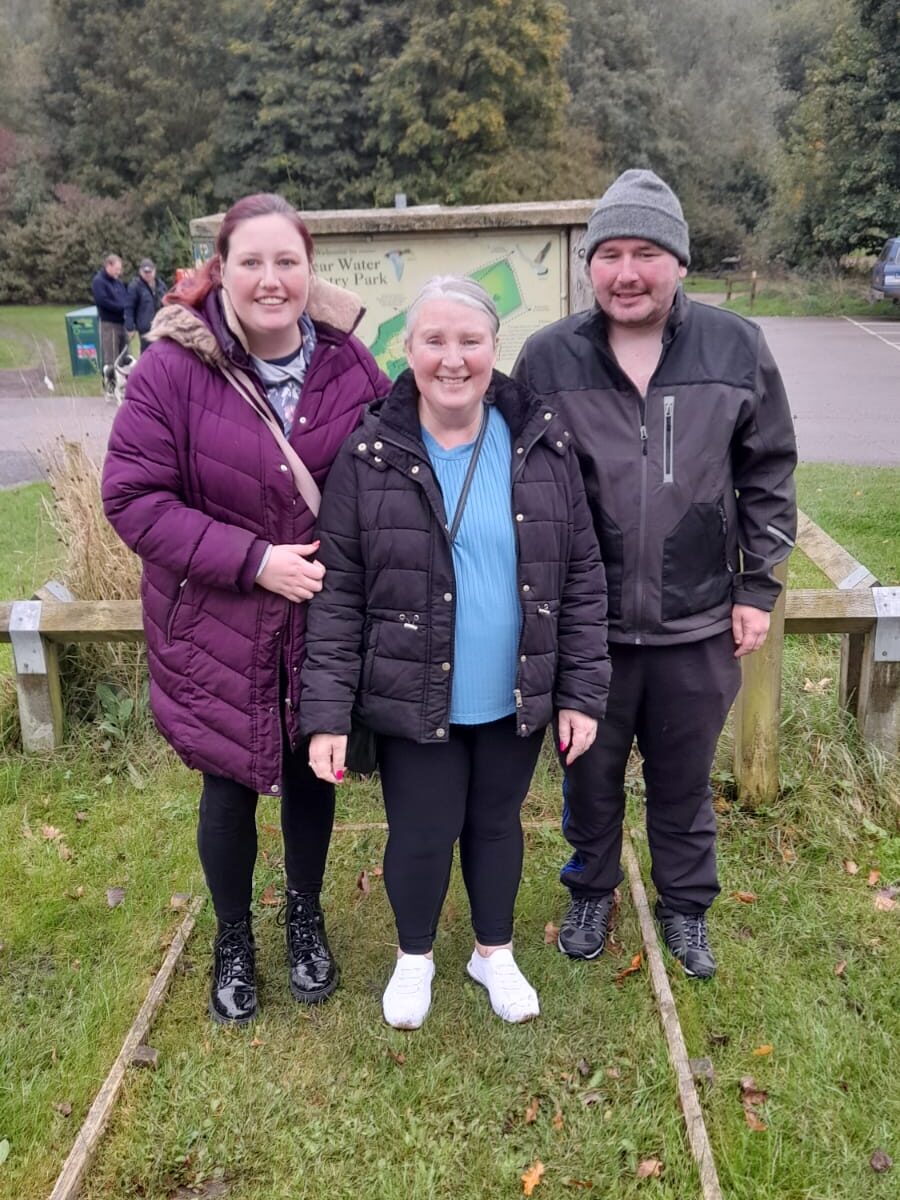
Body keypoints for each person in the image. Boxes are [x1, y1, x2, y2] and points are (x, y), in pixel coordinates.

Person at [102, 193, 391, 1025]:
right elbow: (132, 498)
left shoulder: (350, 365)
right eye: (251, 262)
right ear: (220, 270)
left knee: (313, 768)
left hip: (319, 623)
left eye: (287, 261)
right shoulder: (172, 370)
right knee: (227, 784)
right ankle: (234, 934)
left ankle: (305, 915)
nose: (271, 279)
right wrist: (253, 560)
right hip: (215, 625)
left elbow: (383, 472)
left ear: (309, 270)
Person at [300, 276, 610, 1030]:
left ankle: (492, 952)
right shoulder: (369, 454)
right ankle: (415, 958)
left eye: (469, 341)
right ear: (407, 351)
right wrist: (326, 715)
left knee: (499, 825)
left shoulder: (542, 441)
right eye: (433, 340)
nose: (452, 358)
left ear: (493, 349)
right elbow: (337, 595)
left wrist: (580, 694)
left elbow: (581, 576)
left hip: (514, 692)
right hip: (413, 691)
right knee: (423, 829)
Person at [513, 170, 797, 979]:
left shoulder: (735, 347)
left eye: (645, 252)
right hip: (587, 627)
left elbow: (769, 468)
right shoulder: (548, 357)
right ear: (590, 265)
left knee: (683, 780)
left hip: (697, 620)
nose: (626, 272)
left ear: (677, 260)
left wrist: (758, 584)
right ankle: (591, 889)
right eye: (609, 254)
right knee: (588, 775)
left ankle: (685, 908)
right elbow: (523, 483)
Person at [91, 253, 129, 380]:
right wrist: (122, 308)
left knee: (125, 355)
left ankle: (123, 386)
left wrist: (127, 308)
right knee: (112, 358)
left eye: (120, 269)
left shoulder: (118, 282)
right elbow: (103, 301)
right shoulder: (99, 281)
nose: (119, 272)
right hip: (109, 324)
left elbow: (125, 297)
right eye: (117, 269)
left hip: (122, 323)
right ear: (109, 266)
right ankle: (110, 387)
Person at [125, 258, 167, 352]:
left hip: (161, 326)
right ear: (140, 271)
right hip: (145, 328)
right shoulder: (135, 286)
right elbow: (129, 307)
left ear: (154, 270)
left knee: (162, 352)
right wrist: (129, 327)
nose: (148, 274)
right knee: (147, 353)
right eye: (145, 272)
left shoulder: (161, 285)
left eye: (150, 271)